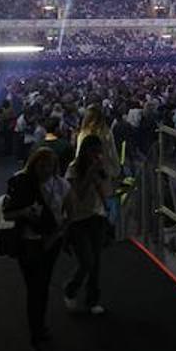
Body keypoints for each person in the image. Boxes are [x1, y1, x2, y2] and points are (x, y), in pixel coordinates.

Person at [3, 148, 70, 351]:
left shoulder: (61, 185)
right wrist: (25, 213)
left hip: (52, 242)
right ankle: (36, 331)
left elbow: (68, 213)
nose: (45, 169)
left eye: (49, 165)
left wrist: (57, 233)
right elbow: (7, 214)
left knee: (42, 286)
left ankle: (39, 327)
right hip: (29, 244)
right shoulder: (22, 184)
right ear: (33, 165)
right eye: (42, 165)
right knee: (35, 288)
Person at [64, 135, 114, 315]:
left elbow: (100, 185)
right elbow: (80, 193)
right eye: (94, 152)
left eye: (99, 152)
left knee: (97, 262)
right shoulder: (73, 169)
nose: (97, 155)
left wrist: (106, 205)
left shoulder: (96, 167)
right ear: (85, 151)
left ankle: (92, 300)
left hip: (96, 216)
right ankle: (71, 289)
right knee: (87, 261)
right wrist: (91, 171)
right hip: (77, 220)